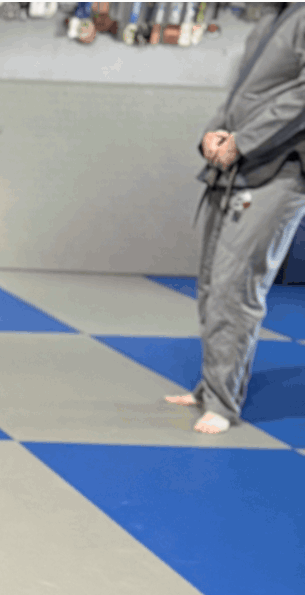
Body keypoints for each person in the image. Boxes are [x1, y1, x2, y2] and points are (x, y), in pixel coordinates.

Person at [166, 2, 305, 434]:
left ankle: (224, 404)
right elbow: (242, 93)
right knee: (211, 282)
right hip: (236, 162)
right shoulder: (270, 17)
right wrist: (215, 132)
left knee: (236, 285)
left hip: (280, 169)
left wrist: (244, 140)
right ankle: (210, 386)